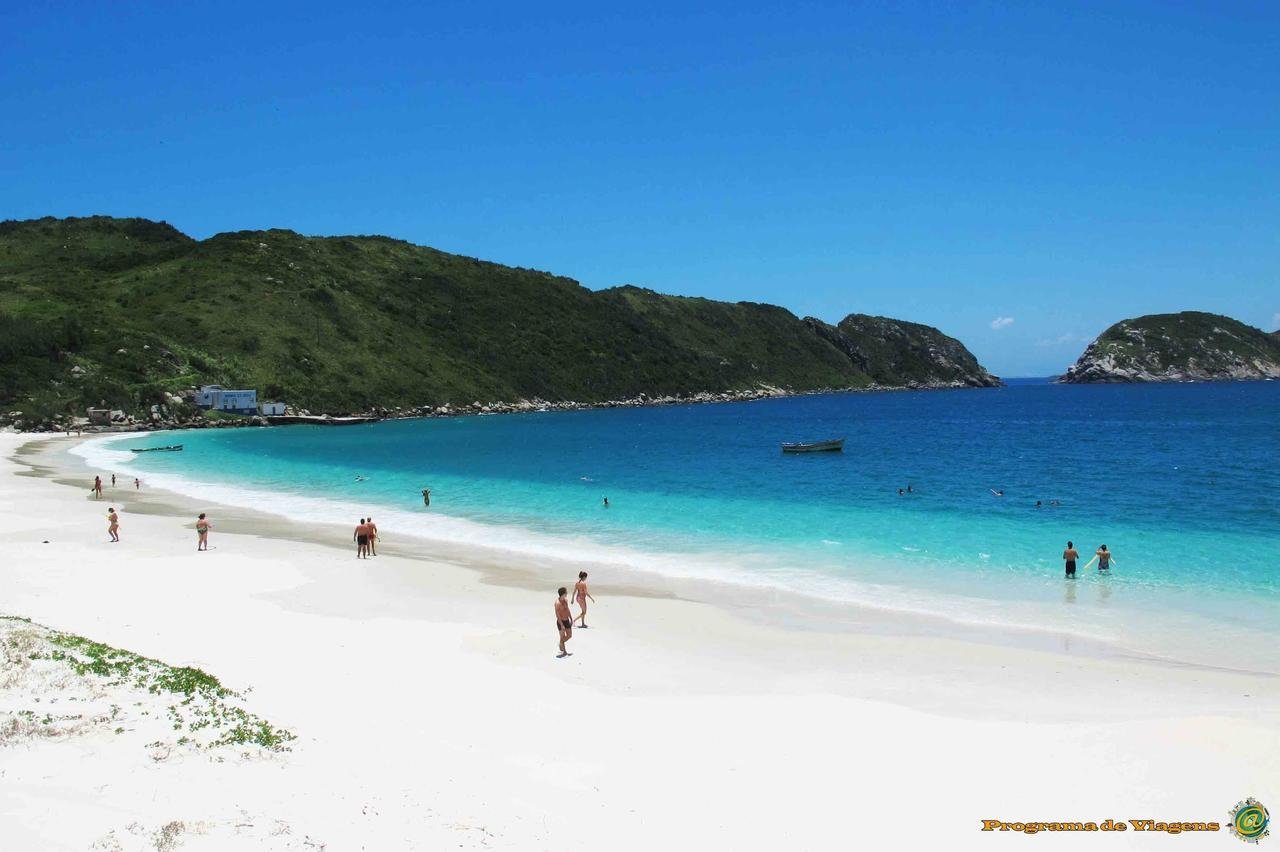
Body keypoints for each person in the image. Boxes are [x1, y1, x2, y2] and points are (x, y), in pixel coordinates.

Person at [555, 587, 574, 657]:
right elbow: (557, 615)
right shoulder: (557, 603)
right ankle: (564, 651)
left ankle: (561, 643)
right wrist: (561, 624)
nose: (567, 593)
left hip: (567, 620)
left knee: (569, 635)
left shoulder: (565, 600)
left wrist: (571, 618)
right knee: (562, 636)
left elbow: (567, 610)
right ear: (563, 594)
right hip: (561, 622)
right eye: (566, 592)